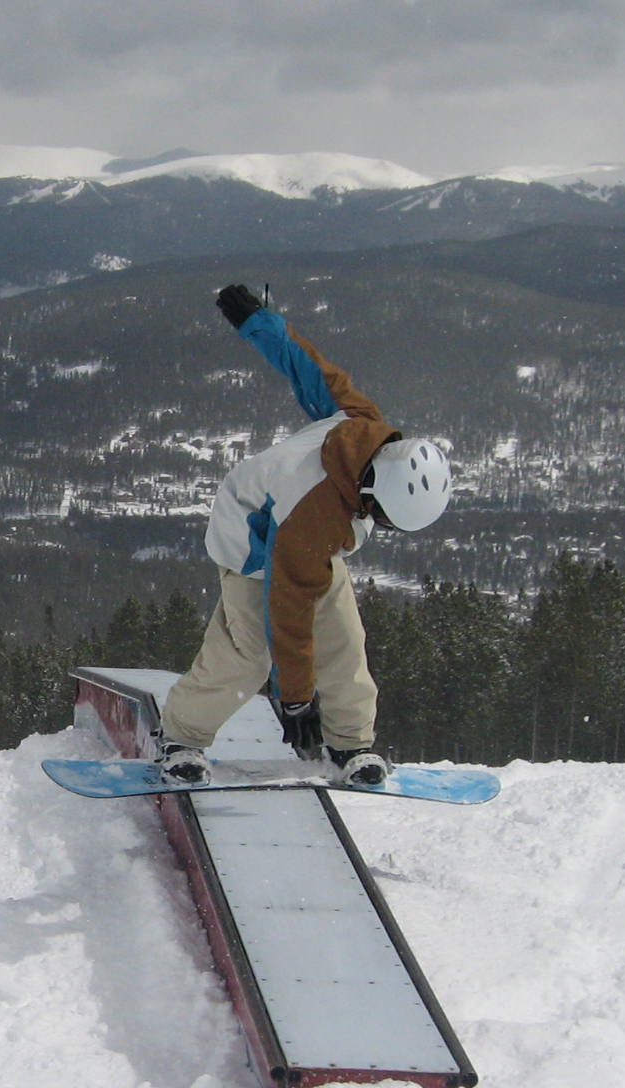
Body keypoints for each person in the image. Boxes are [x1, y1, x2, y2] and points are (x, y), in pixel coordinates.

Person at [154, 284, 453, 787]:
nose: (379, 526)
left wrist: (259, 322)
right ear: (374, 491)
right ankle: (181, 737)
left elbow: (308, 366)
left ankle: (351, 744)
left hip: (306, 540)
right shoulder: (312, 517)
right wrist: (294, 698)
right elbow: (287, 614)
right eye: (383, 518)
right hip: (251, 543)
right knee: (249, 653)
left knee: (344, 640)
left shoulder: (363, 427)